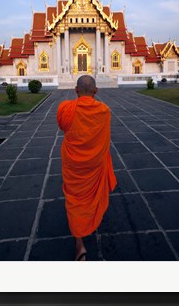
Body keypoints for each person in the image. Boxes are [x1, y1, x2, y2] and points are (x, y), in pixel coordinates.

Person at [57, 75, 117, 261]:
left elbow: (63, 127)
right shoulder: (104, 111)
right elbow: (104, 140)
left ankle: (79, 244)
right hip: (95, 164)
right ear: (96, 91)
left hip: (73, 164)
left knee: (75, 200)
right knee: (90, 199)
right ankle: (90, 221)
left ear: (76, 90)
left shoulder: (65, 109)